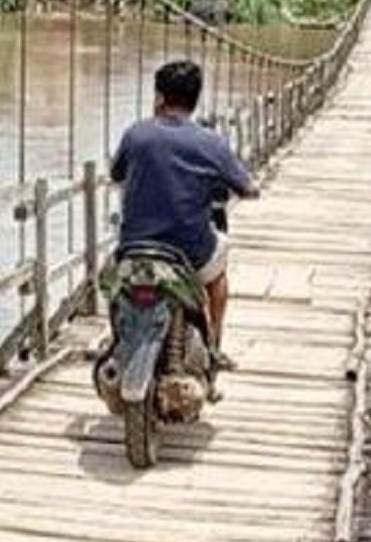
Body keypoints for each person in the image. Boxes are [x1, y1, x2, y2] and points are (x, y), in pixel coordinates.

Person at [110, 59, 260, 368]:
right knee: (218, 272)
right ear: (195, 99)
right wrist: (245, 190)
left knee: (114, 283)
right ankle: (215, 344)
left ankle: (117, 337)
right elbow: (247, 188)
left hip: (134, 247)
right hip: (190, 252)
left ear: (160, 97)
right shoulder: (211, 143)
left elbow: (116, 174)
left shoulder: (136, 134)